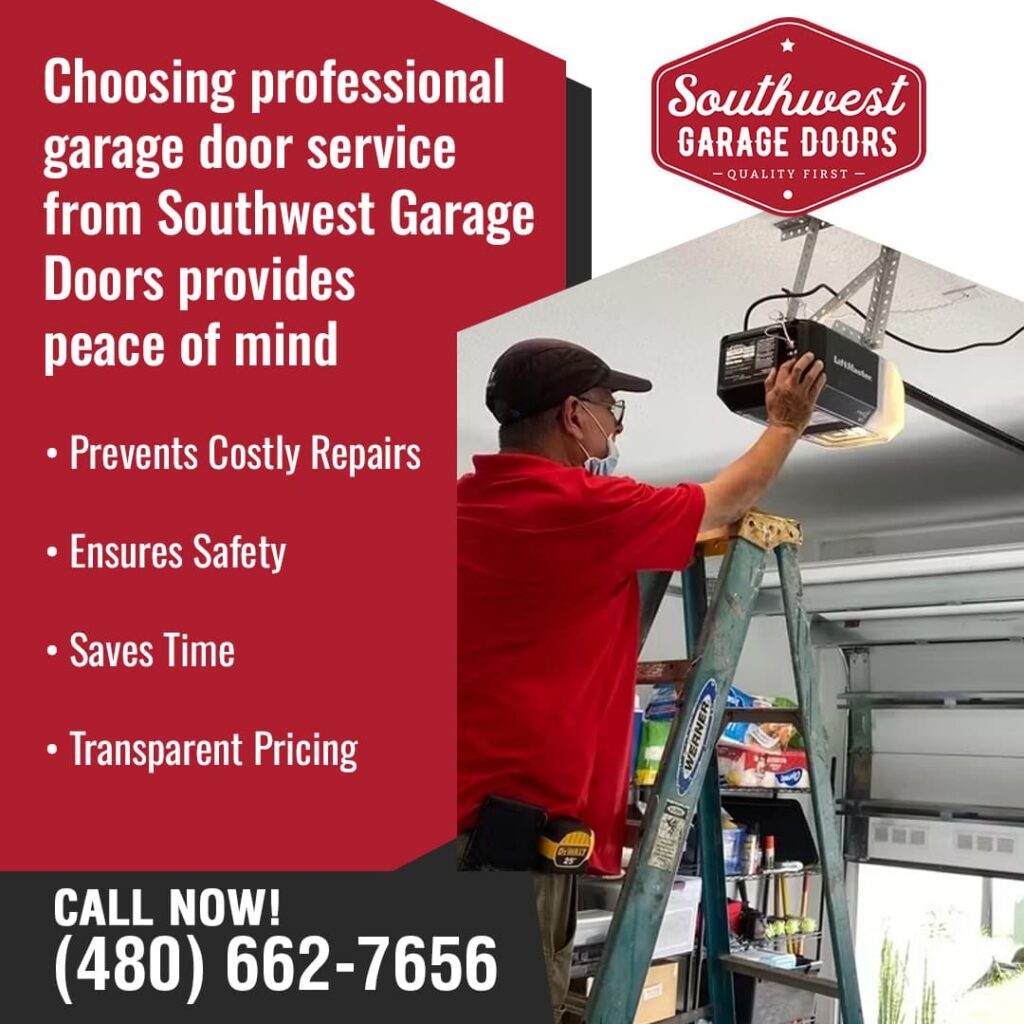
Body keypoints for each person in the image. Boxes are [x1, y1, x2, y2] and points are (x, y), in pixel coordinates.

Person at [457, 337, 826, 1020]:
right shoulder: (580, 507)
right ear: (573, 415)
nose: (617, 425)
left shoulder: (459, 507)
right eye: (610, 408)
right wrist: (787, 422)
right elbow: (729, 500)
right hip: (509, 853)